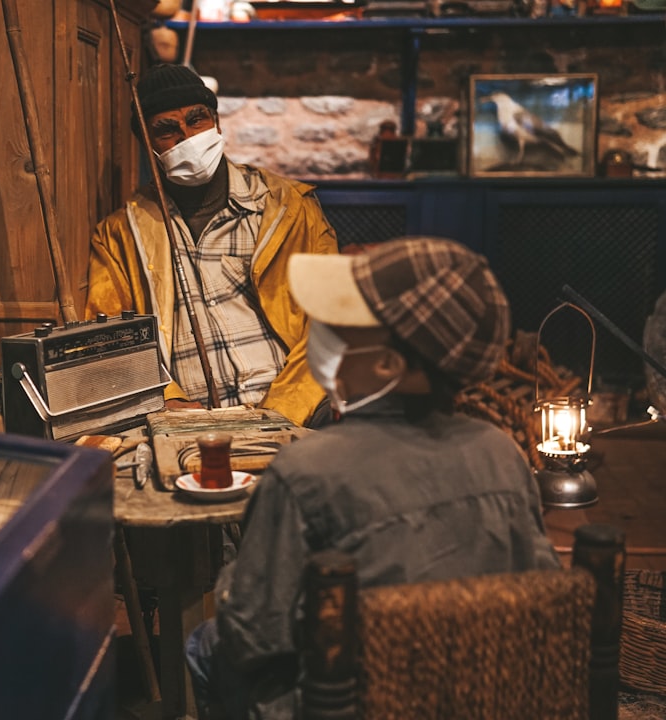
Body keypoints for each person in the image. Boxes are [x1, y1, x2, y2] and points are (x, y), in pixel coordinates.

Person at [185, 237, 561, 719]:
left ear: (389, 364)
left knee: (205, 642)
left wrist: (232, 584)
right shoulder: (502, 454)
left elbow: (254, 634)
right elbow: (541, 593)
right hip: (477, 696)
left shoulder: (305, 473)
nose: (325, 334)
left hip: (347, 706)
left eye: (344, 325)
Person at [84, 63, 338, 427]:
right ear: (146, 143)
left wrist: (282, 411)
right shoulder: (120, 235)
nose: (186, 137)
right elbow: (109, 339)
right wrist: (166, 399)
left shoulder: (287, 207)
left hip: (298, 411)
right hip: (192, 425)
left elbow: (329, 318)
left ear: (216, 123)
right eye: (166, 130)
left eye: (196, 119)